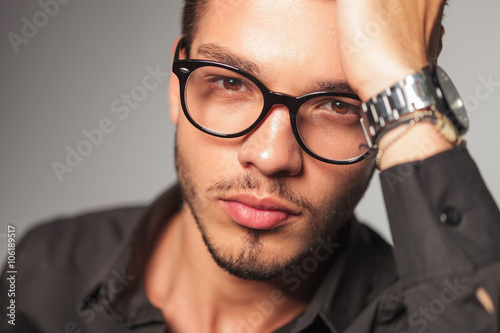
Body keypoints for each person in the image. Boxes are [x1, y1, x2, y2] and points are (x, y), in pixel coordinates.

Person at [2, 0, 500, 332]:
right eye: (232, 84)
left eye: (339, 105)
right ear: (177, 86)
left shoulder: (421, 315)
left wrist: (401, 87)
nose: (270, 156)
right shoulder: (41, 267)